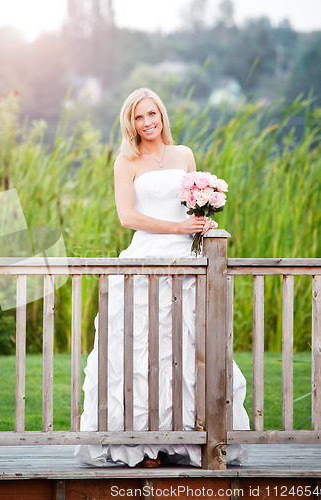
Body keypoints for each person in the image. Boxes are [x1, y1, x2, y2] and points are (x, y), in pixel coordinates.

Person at [74, 87, 250, 468]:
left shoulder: (183, 155)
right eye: (139, 117)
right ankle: (141, 444)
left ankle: (189, 438)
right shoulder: (126, 161)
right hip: (146, 256)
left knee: (192, 344)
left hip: (188, 258)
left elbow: (190, 205)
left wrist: (202, 222)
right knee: (141, 346)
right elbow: (127, 217)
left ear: (162, 115)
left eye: (152, 114)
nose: (147, 122)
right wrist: (176, 228)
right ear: (130, 123)